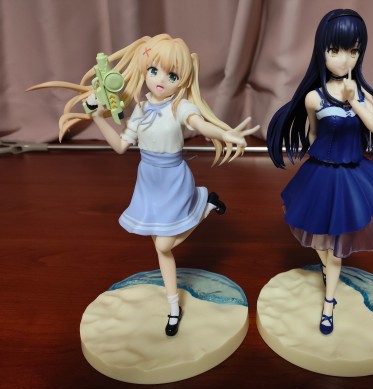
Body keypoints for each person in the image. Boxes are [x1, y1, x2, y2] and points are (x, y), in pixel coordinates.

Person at [30, 34, 259, 336]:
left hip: (173, 178)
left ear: (182, 80)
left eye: (172, 75)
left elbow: (199, 123)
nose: (161, 80)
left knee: (164, 244)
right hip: (148, 180)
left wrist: (223, 133)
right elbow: (121, 147)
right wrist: (96, 116)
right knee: (161, 250)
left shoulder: (180, 107)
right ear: (145, 71)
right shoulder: (141, 109)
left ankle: (204, 206)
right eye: (154, 71)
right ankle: (174, 307)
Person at [267, 10, 373, 335]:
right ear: (322, 50)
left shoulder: (362, 94)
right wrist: (308, 153)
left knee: (336, 250)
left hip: (351, 174)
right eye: (335, 50)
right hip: (321, 173)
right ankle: (326, 266)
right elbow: (313, 133)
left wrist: (353, 99)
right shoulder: (313, 98)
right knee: (321, 242)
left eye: (353, 51)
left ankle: (329, 304)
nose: (344, 59)